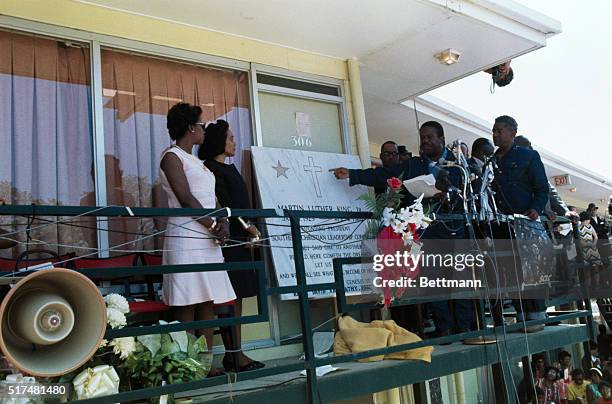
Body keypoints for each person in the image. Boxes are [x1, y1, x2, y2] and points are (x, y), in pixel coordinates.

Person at [331, 121, 475, 338]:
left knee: (460, 278)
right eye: (422, 137)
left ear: (441, 139)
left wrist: (449, 194)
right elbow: (384, 175)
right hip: (427, 232)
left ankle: (465, 328)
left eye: (429, 137)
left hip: (456, 229)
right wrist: (353, 174)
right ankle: (444, 328)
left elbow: (470, 193)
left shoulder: (458, 165)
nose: (424, 141)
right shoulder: (413, 165)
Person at [159, 103, 236, 377]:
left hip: (208, 238)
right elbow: (186, 198)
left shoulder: (198, 163)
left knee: (207, 302)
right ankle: (184, 367)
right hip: (187, 237)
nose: (204, 128)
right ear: (191, 127)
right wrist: (213, 224)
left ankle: (204, 364)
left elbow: (210, 199)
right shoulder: (172, 156)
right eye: (201, 124)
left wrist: (223, 222)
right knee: (187, 303)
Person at [199, 119, 265, 373]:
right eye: (230, 138)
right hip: (229, 240)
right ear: (219, 142)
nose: (234, 142)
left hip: (244, 237)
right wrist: (247, 227)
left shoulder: (230, 168)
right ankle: (234, 355)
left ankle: (235, 353)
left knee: (238, 297)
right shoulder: (210, 169)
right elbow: (224, 204)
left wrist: (251, 231)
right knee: (229, 297)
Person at [490, 116, 550, 330]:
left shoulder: (528, 156)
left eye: (499, 130)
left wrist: (536, 208)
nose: (495, 134)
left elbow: (543, 189)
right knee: (511, 272)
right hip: (502, 227)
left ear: (512, 132)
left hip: (525, 223)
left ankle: (537, 317)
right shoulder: (491, 161)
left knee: (530, 270)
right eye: (493, 131)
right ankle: (522, 315)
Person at [588, 203, 610, 267]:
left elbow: (606, 229)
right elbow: (595, 231)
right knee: (599, 255)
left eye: (594, 209)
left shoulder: (600, 219)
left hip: (604, 239)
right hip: (597, 241)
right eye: (591, 210)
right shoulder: (589, 221)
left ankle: (607, 265)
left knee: (606, 253)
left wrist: (605, 228)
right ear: (589, 211)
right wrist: (602, 229)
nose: (593, 211)